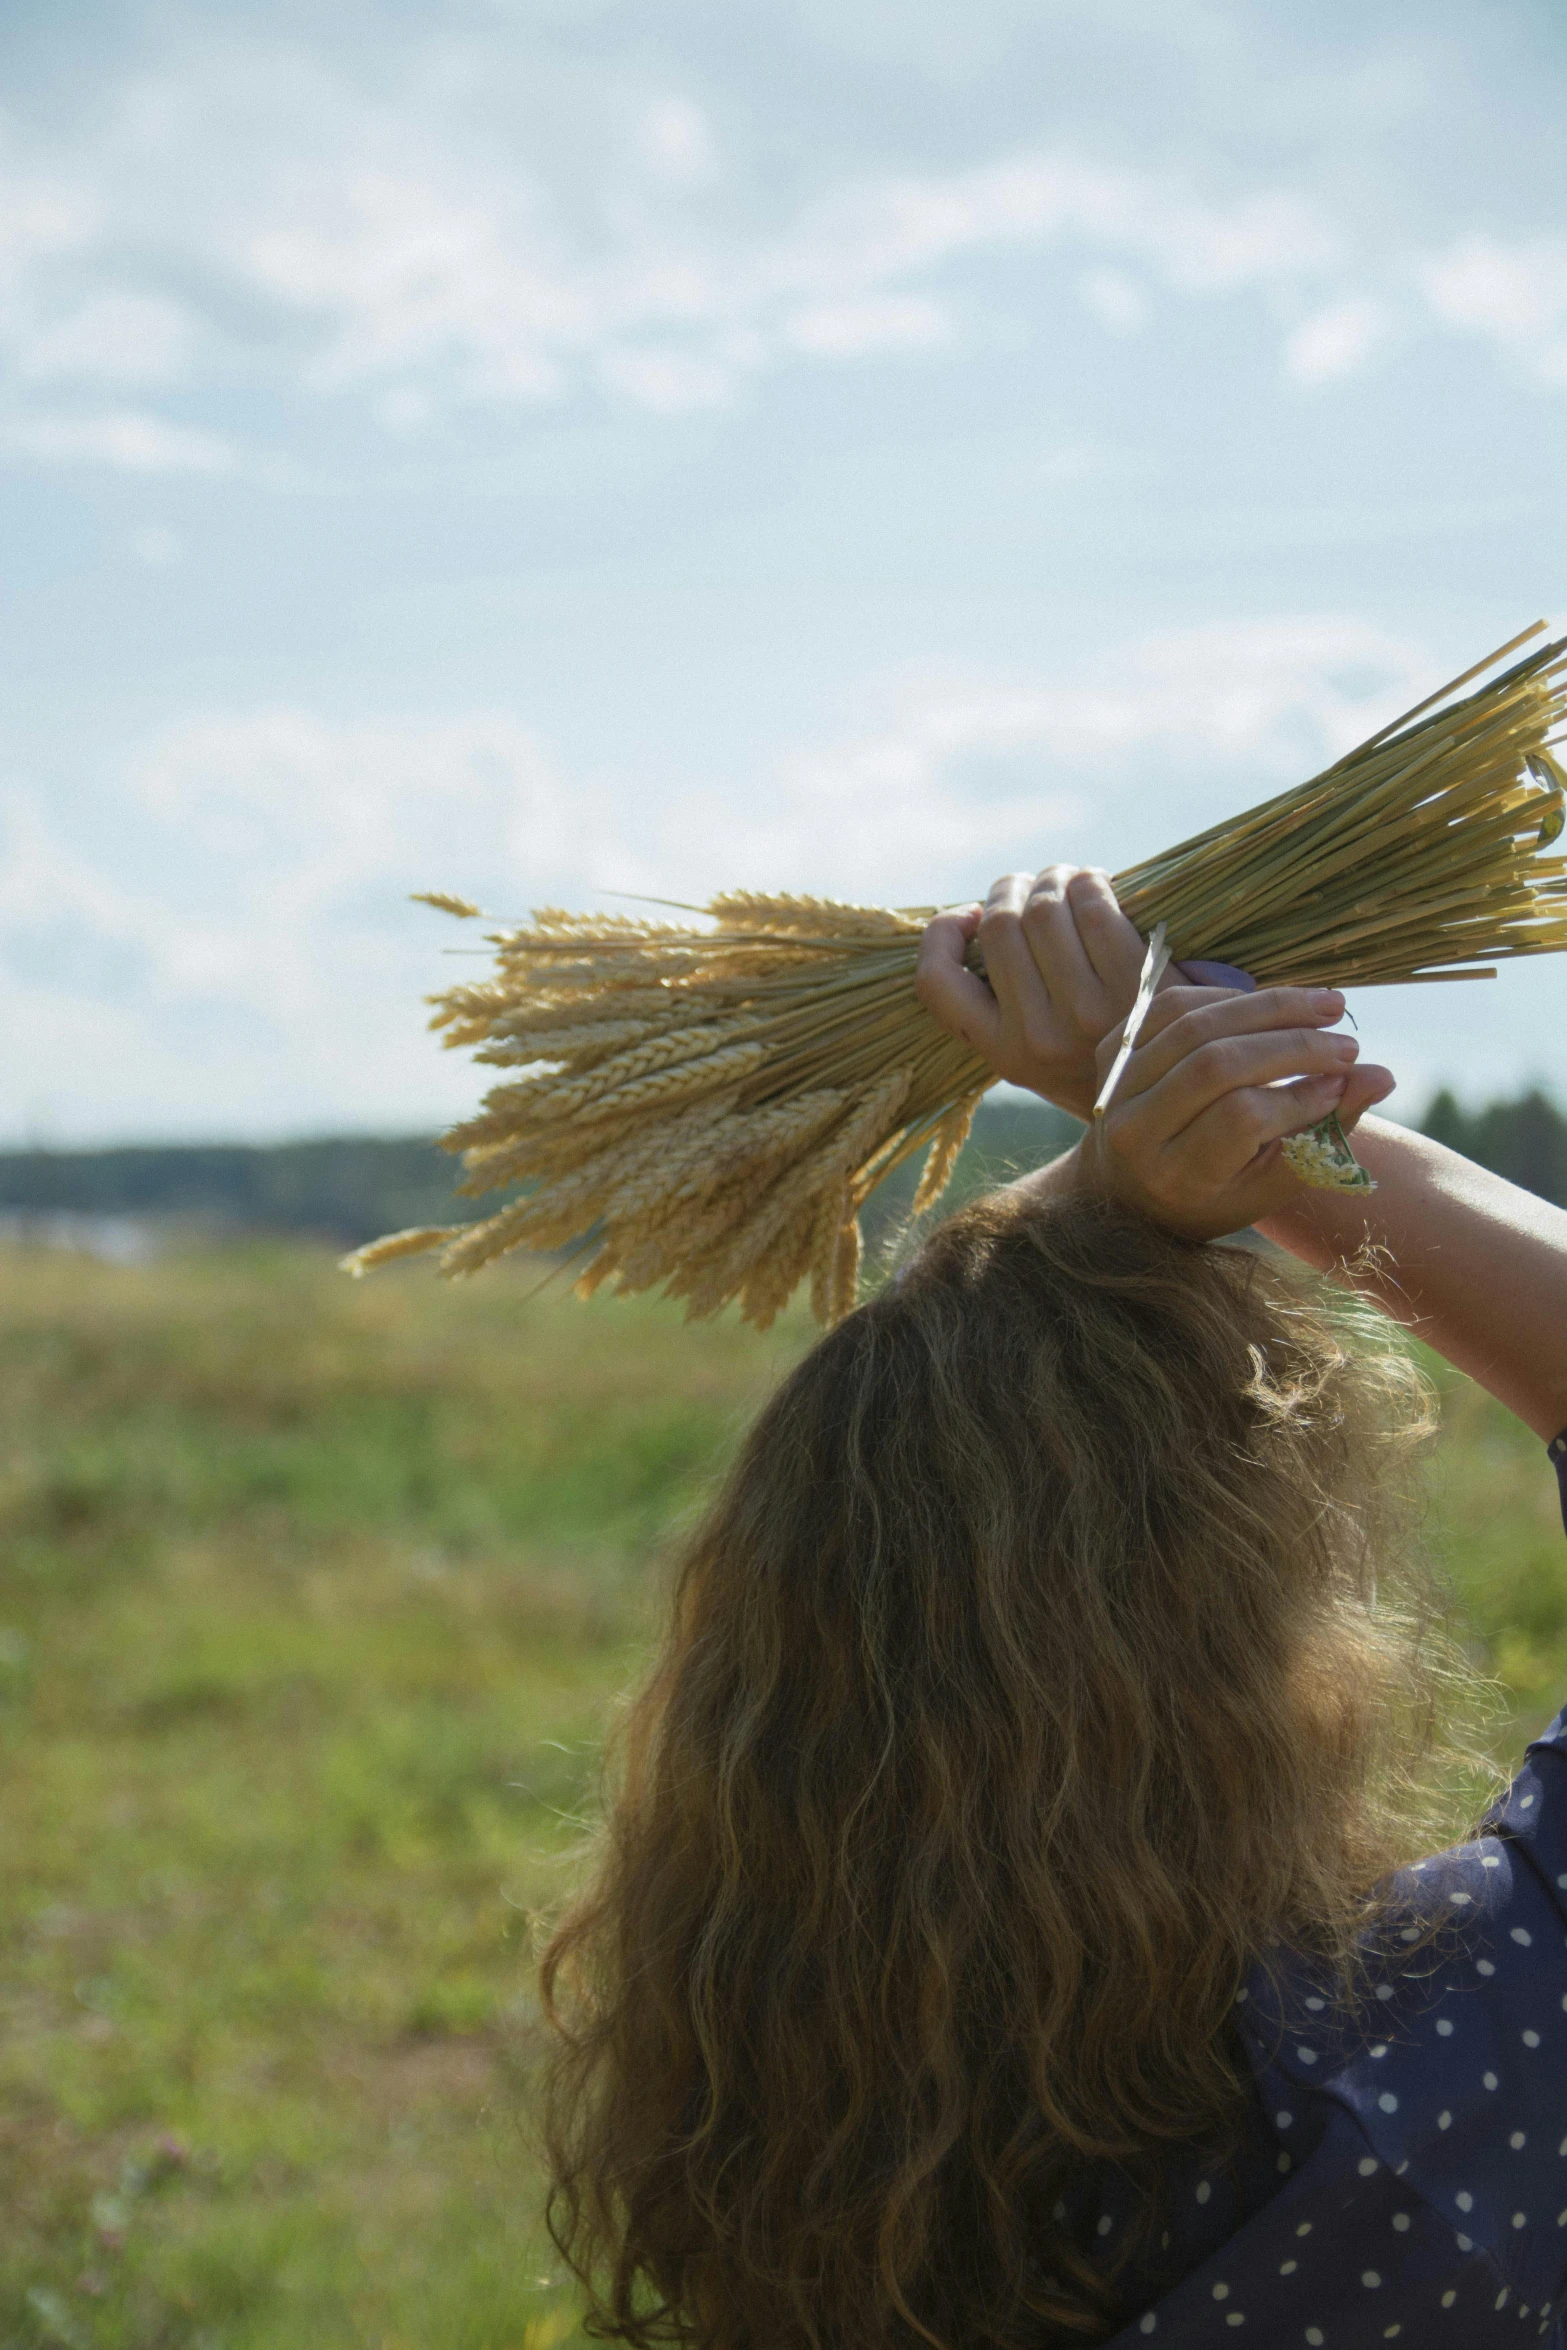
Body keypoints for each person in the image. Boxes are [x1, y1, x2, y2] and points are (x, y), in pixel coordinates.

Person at [540, 864, 1567, 2350]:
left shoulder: (782, 2159)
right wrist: (1233, 1135)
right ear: (1245, 1626)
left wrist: (1107, 1180)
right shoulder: (1435, 2063)